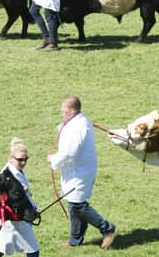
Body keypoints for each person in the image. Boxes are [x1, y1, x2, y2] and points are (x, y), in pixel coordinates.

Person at [48, 96, 116, 249]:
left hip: (80, 171)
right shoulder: (77, 121)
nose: (61, 113)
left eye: (64, 111)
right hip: (77, 170)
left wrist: (53, 159)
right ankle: (75, 240)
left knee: (77, 205)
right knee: (74, 204)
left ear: (72, 111)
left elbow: (70, 152)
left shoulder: (78, 126)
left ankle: (107, 228)